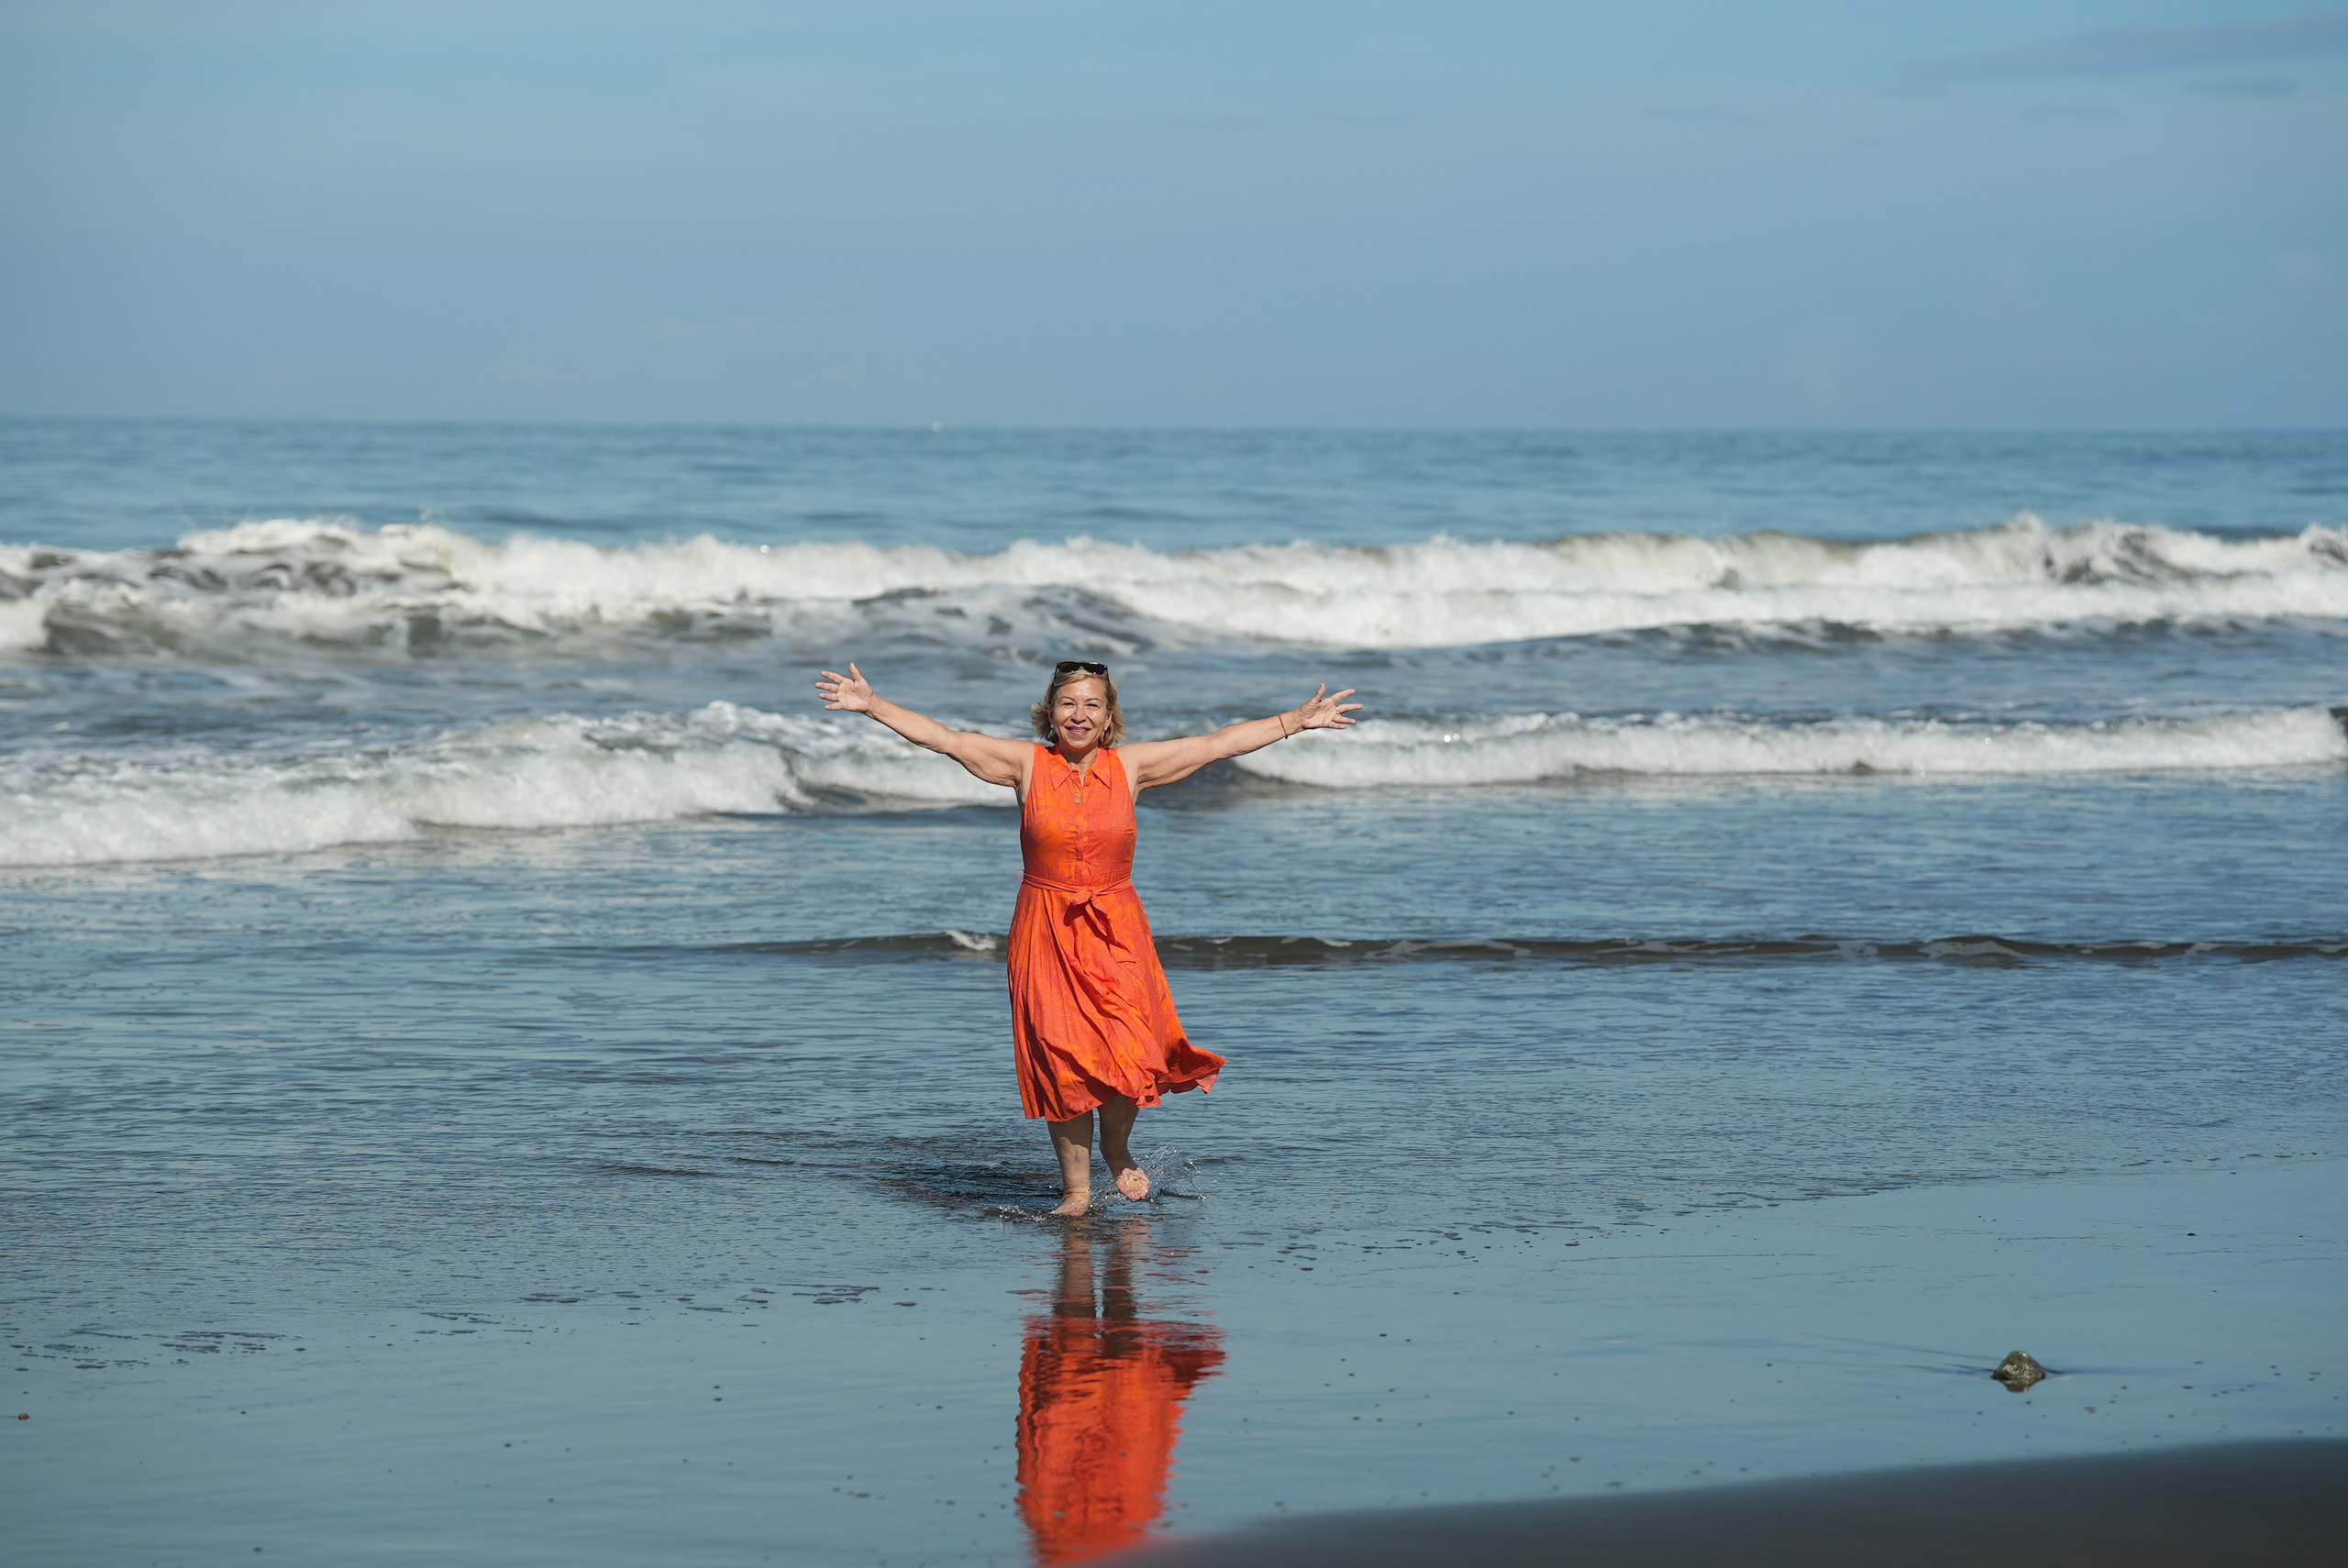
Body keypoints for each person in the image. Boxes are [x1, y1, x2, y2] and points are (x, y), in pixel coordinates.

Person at [814, 659, 1361, 1215]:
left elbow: (1217, 744)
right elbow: (948, 739)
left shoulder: (1131, 768)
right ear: (1050, 712)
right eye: (1068, 704)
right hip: (1044, 926)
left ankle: (1118, 1150)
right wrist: (873, 705)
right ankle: (1076, 1190)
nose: (1079, 715)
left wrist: (1297, 720)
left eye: (1092, 705)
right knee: (1062, 1057)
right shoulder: (1025, 764)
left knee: (1129, 1046)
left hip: (1117, 927)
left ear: (1108, 716)